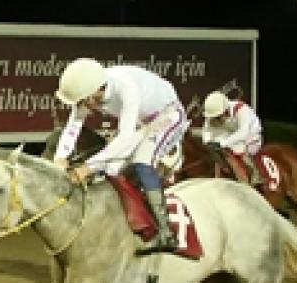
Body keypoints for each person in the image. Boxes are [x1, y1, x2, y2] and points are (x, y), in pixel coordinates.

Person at [52, 58, 188, 255]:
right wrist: (60, 158)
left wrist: (88, 167)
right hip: (140, 122)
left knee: (142, 161)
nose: (80, 106)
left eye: (82, 101)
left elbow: (125, 139)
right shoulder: (89, 89)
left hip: (168, 115)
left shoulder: (126, 86)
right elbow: (73, 127)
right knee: (110, 170)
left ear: (96, 90)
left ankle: (166, 232)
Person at [201, 91, 265, 187]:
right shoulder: (212, 115)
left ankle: (255, 175)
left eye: (218, 117)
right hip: (230, 137)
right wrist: (208, 141)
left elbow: (243, 133)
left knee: (242, 151)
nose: (215, 120)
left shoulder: (241, 109)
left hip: (251, 136)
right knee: (217, 152)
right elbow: (206, 131)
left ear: (226, 110)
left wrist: (224, 142)